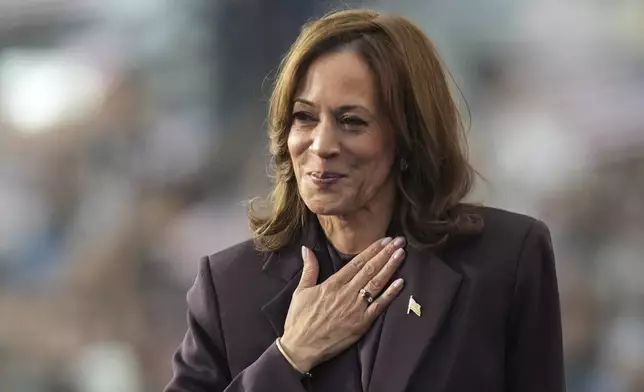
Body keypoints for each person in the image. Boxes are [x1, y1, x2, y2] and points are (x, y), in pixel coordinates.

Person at [165, 9, 565, 392]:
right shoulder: (229, 285)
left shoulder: (506, 261)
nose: (321, 145)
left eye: (352, 121)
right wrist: (291, 356)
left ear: (408, 138)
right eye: (304, 117)